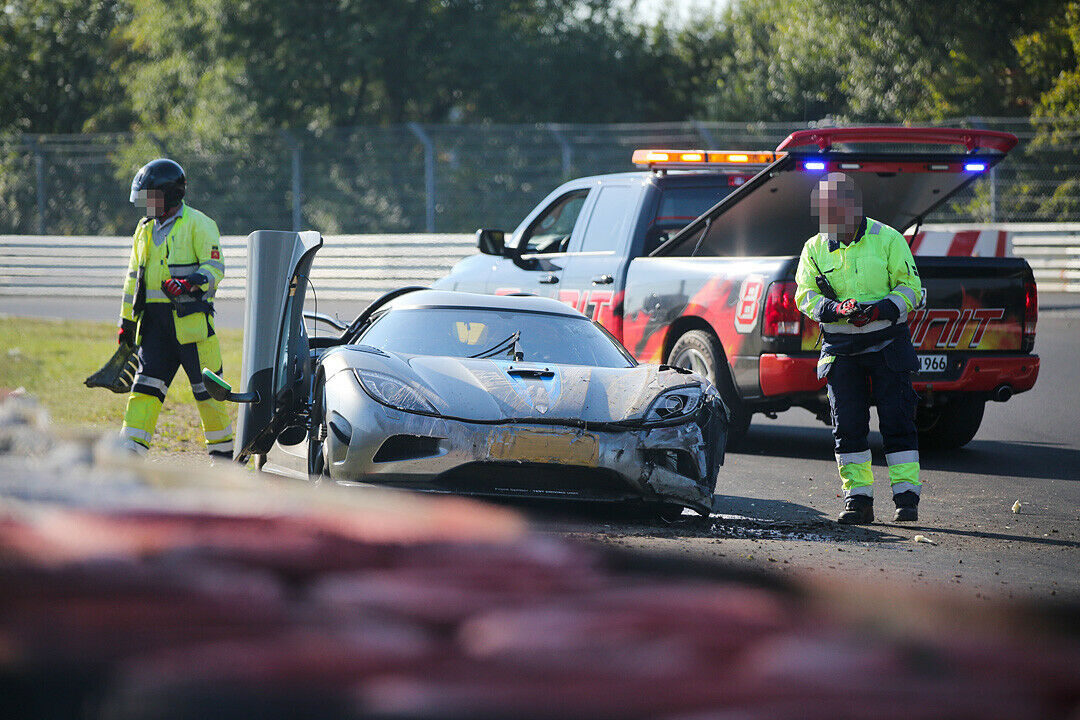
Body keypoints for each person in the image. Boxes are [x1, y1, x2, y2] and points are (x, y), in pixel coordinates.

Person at [794, 173, 925, 524]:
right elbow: (805, 296)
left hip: (887, 345)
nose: (829, 220)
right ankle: (859, 501)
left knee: (897, 421)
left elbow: (913, 289)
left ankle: (906, 499)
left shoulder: (888, 239)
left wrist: (880, 309)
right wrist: (836, 310)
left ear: (854, 208)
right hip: (841, 351)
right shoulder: (815, 248)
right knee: (848, 427)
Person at [117, 158, 234, 459]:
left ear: (169, 196)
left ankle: (222, 458)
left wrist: (189, 283)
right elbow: (133, 280)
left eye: (149, 199)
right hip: (154, 328)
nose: (144, 207)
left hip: (191, 328)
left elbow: (215, 268)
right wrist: (126, 323)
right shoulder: (143, 230)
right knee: (144, 389)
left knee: (208, 395)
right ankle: (129, 451)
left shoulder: (199, 223)